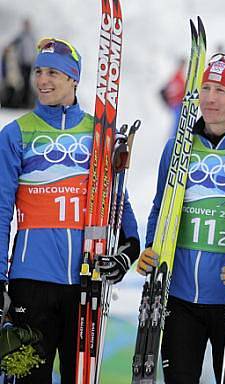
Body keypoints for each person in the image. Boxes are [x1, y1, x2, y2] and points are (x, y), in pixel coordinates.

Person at [0, 38, 140, 383]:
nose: (43, 80)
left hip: (85, 281)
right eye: (39, 71)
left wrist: (128, 248)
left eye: (53, 73)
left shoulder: (99, 134)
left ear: (73, 79)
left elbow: (116, 197)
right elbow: (2, 209)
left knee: (79, 378)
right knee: (27, 376)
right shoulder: (15, 134)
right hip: (30, 281)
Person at [136, 54, 225, 384]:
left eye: (221, 90)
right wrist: (151, 247)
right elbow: (161, 207)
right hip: (179, 299)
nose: (210, 98)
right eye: (206, 88)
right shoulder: (177, 149)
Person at [160, 57, 186, 138]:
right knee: (176, 123)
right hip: (177, 104)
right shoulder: (177, 76)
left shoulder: (178, 76)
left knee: (179, 123)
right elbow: (172, 90)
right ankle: (173, 138)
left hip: (178, 104)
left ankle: (176, 137)